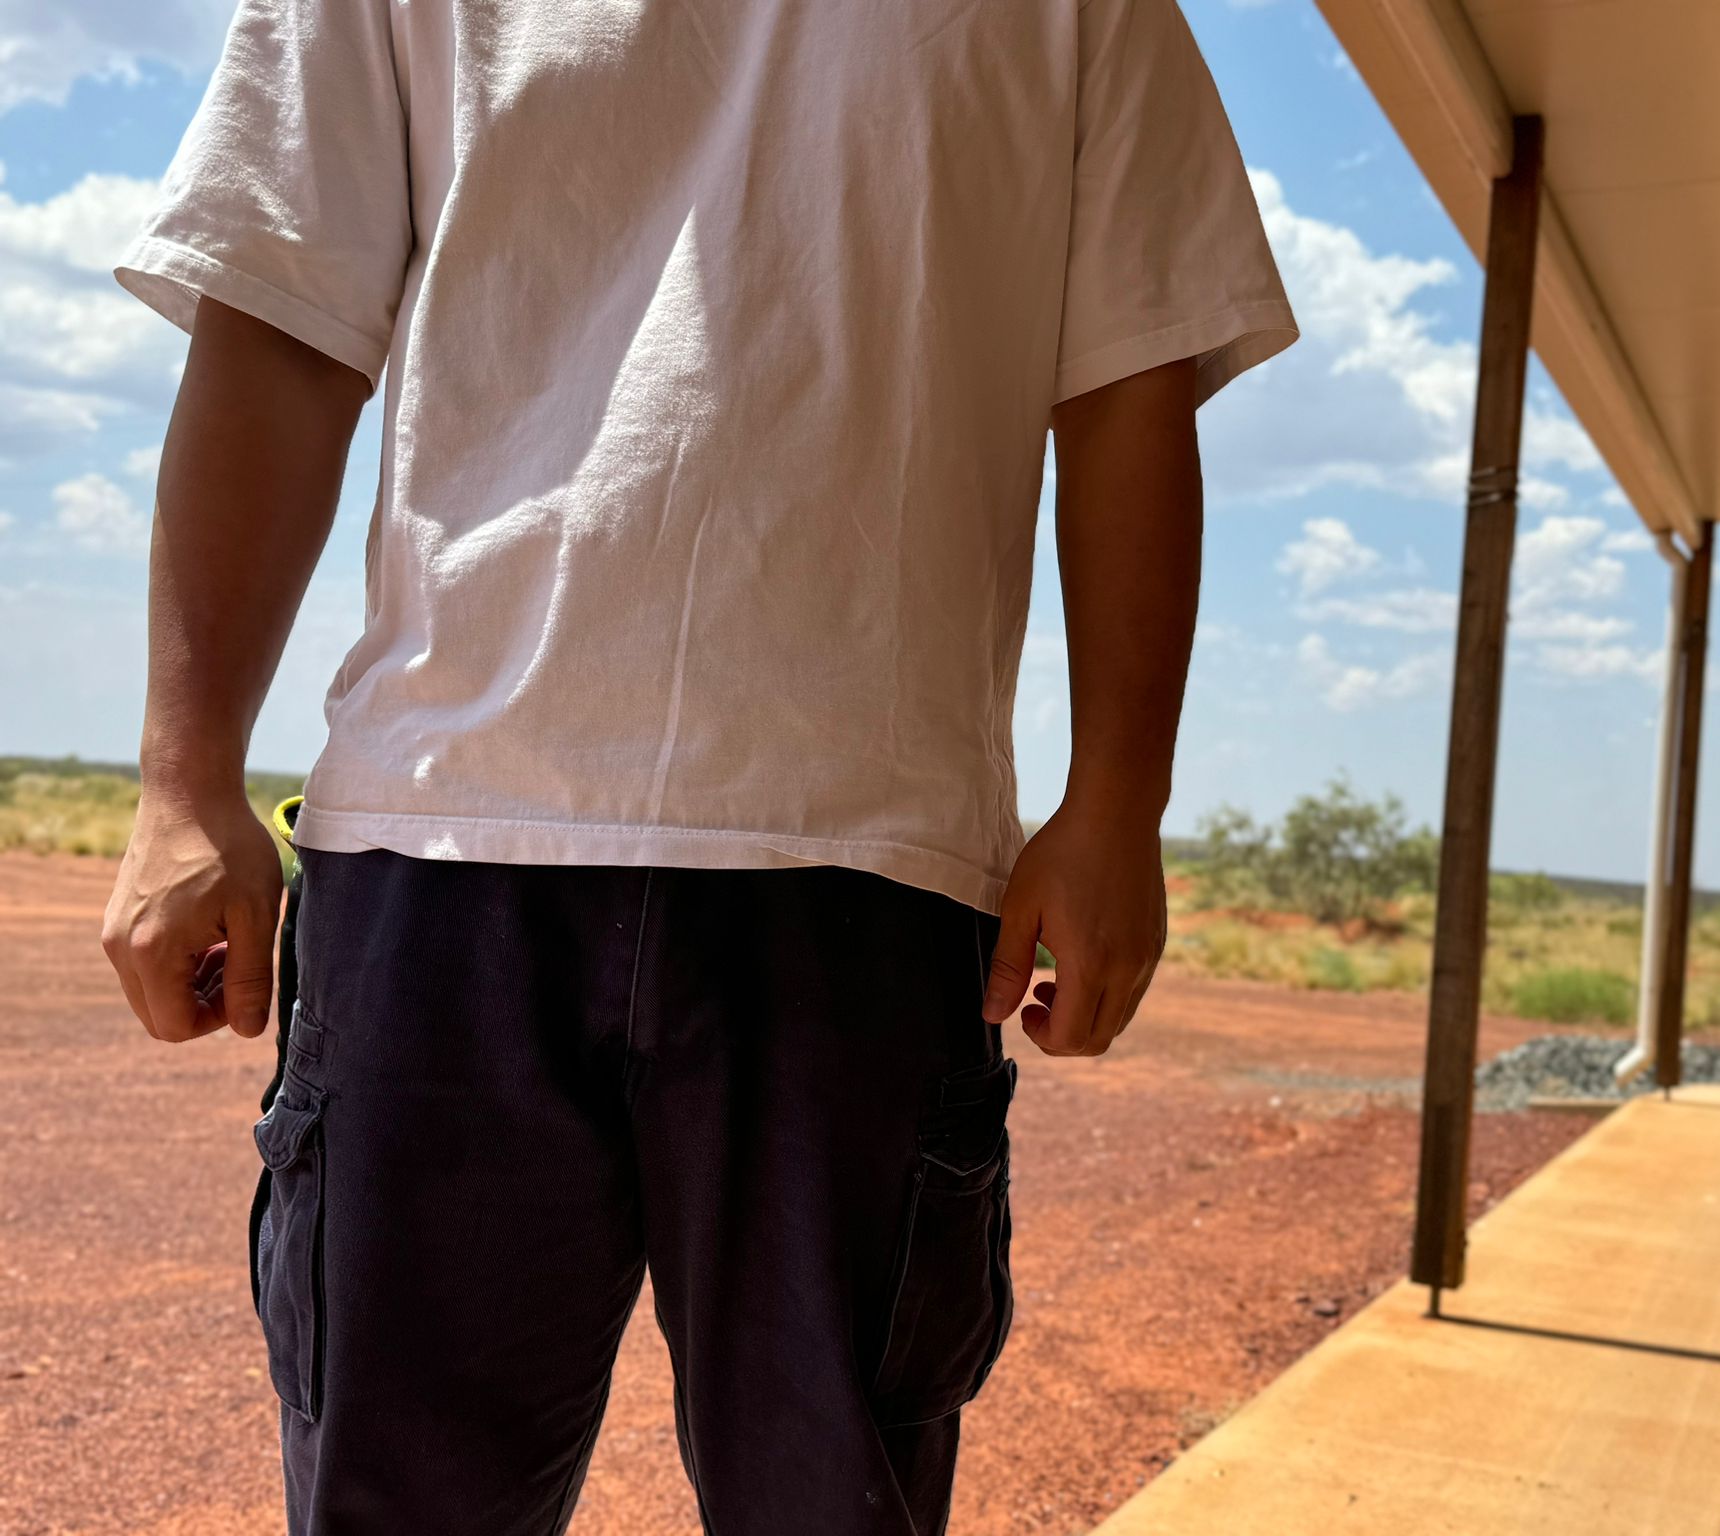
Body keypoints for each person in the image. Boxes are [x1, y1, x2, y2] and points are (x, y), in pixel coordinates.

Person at [99, 0, 1296, 1529]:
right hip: (449, 845)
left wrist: (1120, 799)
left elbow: (1133, 378)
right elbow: (274, 321)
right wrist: (183, 776)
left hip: (863, 874)